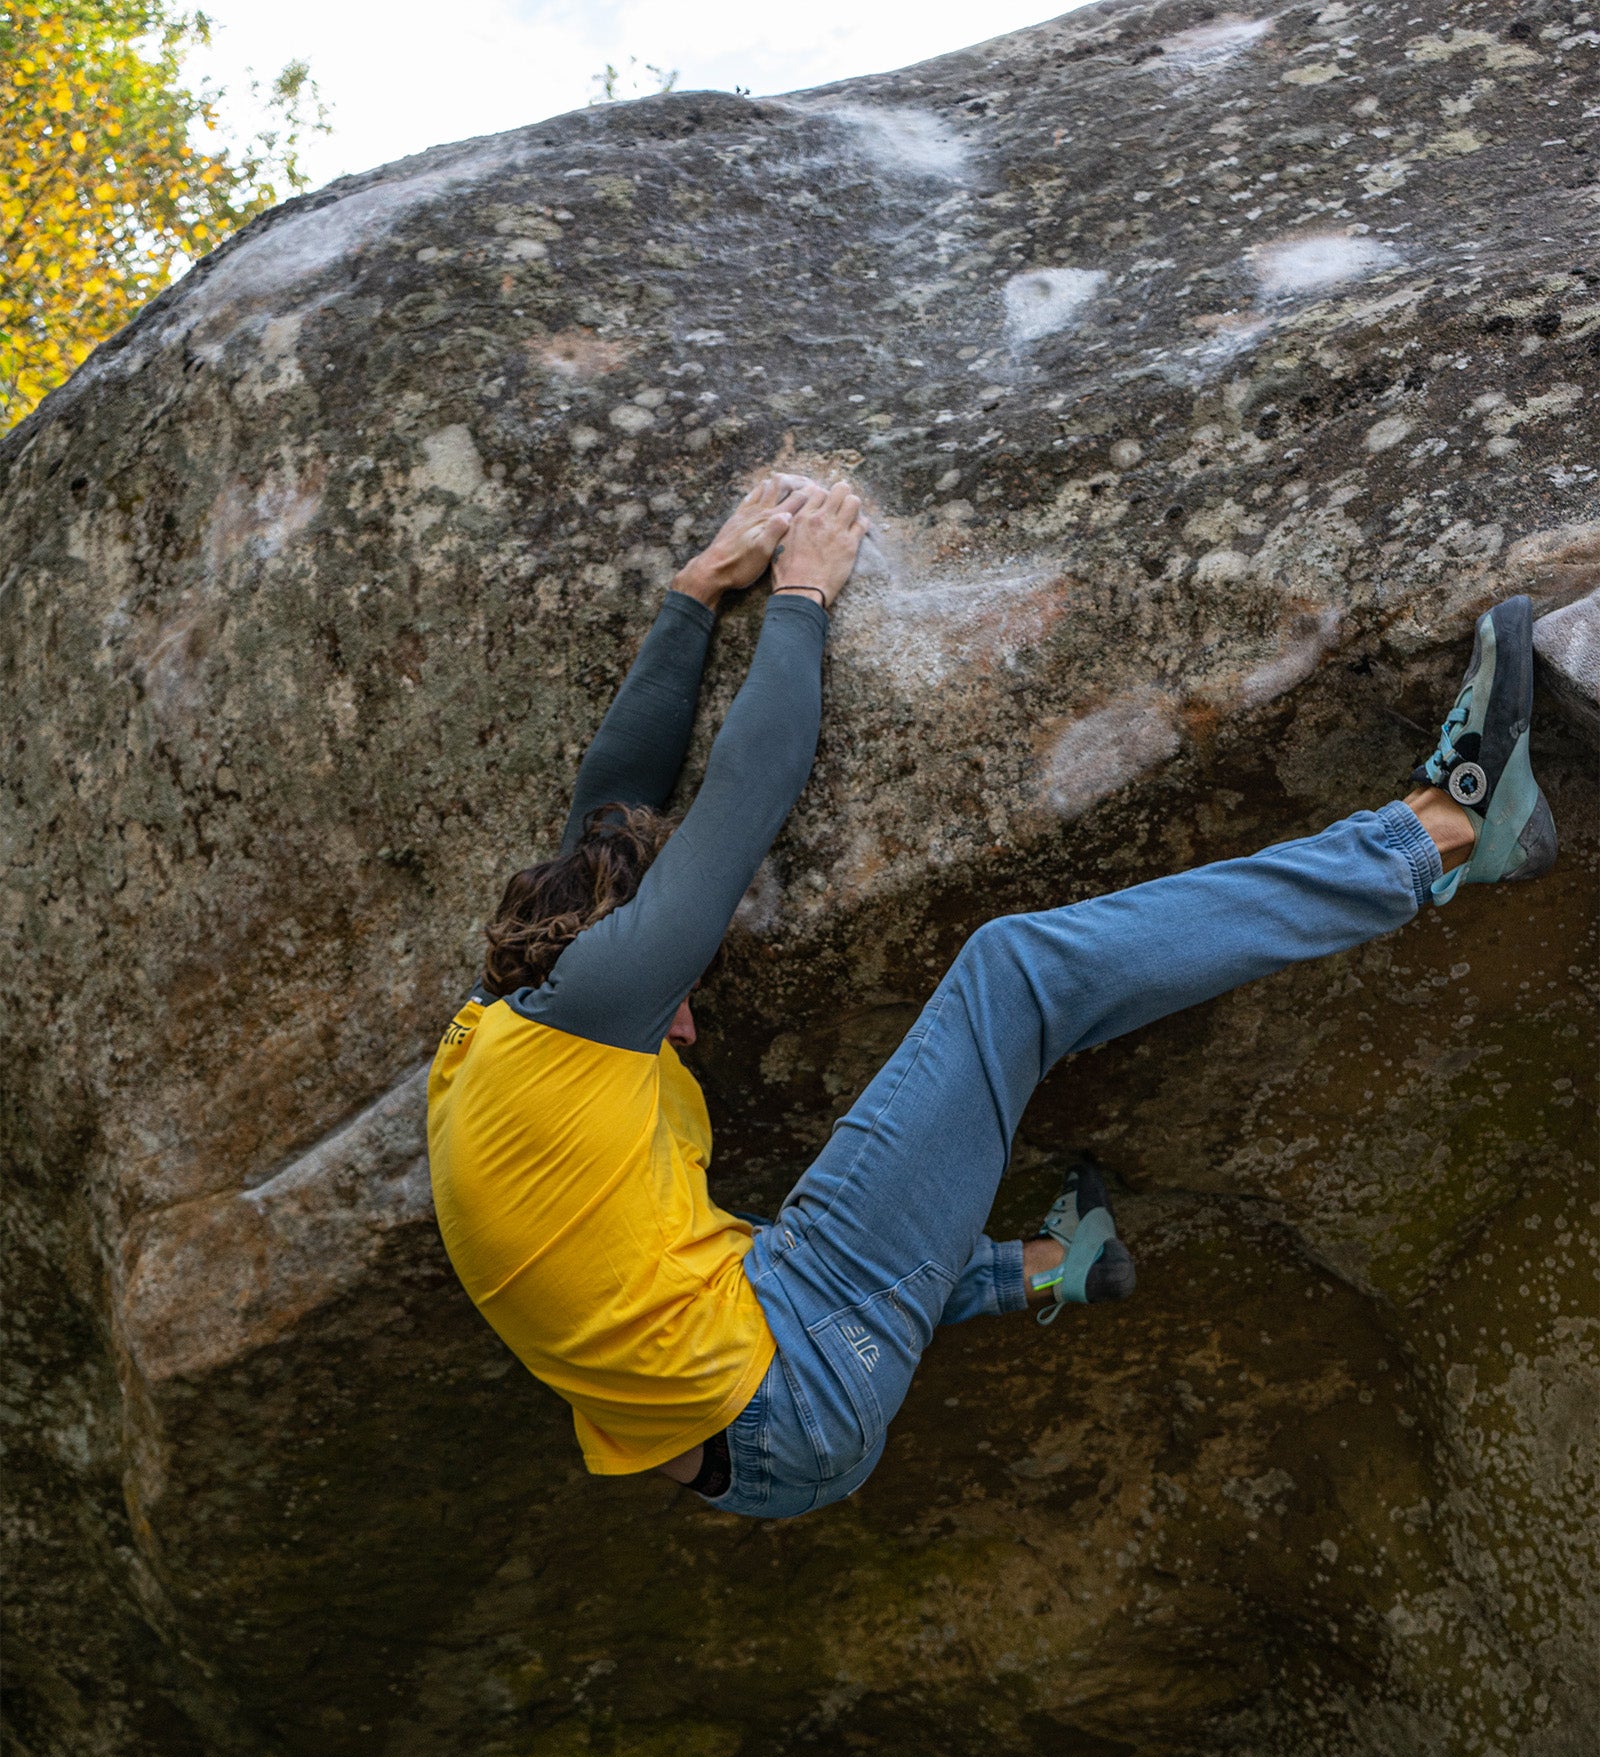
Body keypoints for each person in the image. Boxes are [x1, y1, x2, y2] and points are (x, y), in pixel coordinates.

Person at [426, 474, 1558, 1519]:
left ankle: (1049, 1270)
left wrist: (692, 594)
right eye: (674, 993)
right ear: (608, 959)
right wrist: (804, 594)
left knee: (770, 1243)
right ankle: (1444, 834)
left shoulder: (496, 1046)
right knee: (1017, 975)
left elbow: (606, 807)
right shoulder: (593, 1001)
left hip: (739, 1450)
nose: (685, 1022)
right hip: (792, 1377)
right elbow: (748, 791)